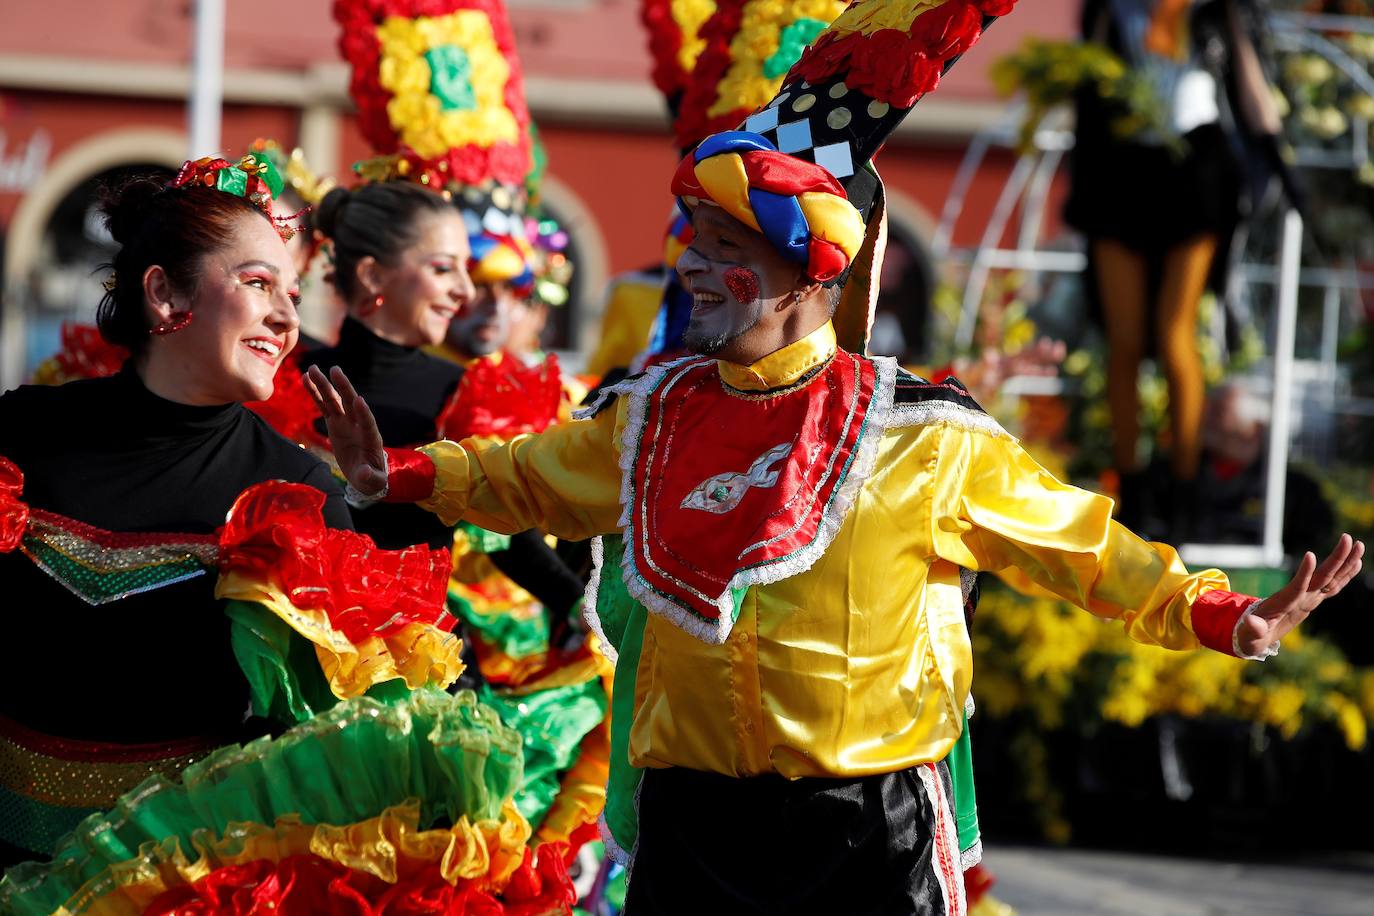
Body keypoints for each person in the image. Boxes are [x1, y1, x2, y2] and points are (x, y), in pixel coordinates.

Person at [1065, 0, 1294, 538]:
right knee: (1122, 341)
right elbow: (1083, 91)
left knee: (1174, 334)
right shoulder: (1110, 12)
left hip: (1197, 174)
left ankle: (1186, 489)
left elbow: (1254, 97)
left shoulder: (1213, 13)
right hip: (1120, 174)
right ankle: (1131, 487)